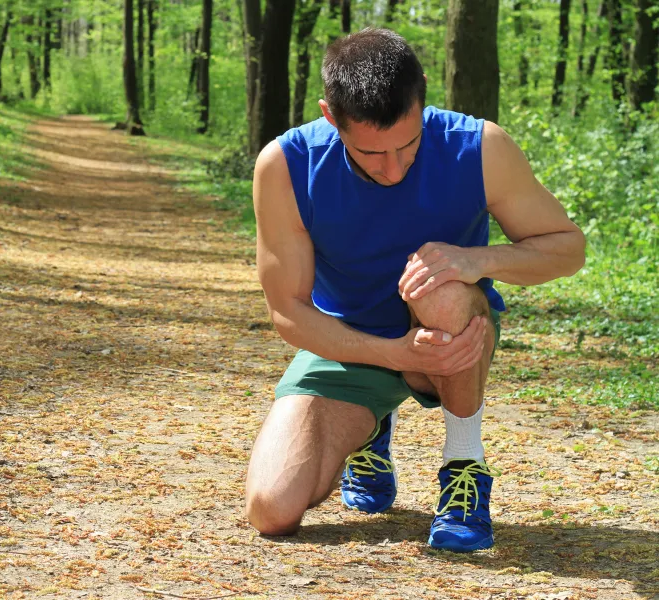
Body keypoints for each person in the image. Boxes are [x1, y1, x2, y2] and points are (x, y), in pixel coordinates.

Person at [244, 28, 585, 553]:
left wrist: (476, 260)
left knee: (441, 285)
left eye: (408, 144)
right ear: (331, 116)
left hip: (449, 331)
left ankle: (464, 468)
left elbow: (567, 248)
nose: (393, 168)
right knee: (272, 509)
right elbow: (288, 311)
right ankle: (370, 429)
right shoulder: (286, 165)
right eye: (370, 152)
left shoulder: (480, 146)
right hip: (348, 344)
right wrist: (394, 354)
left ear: (422, 94)